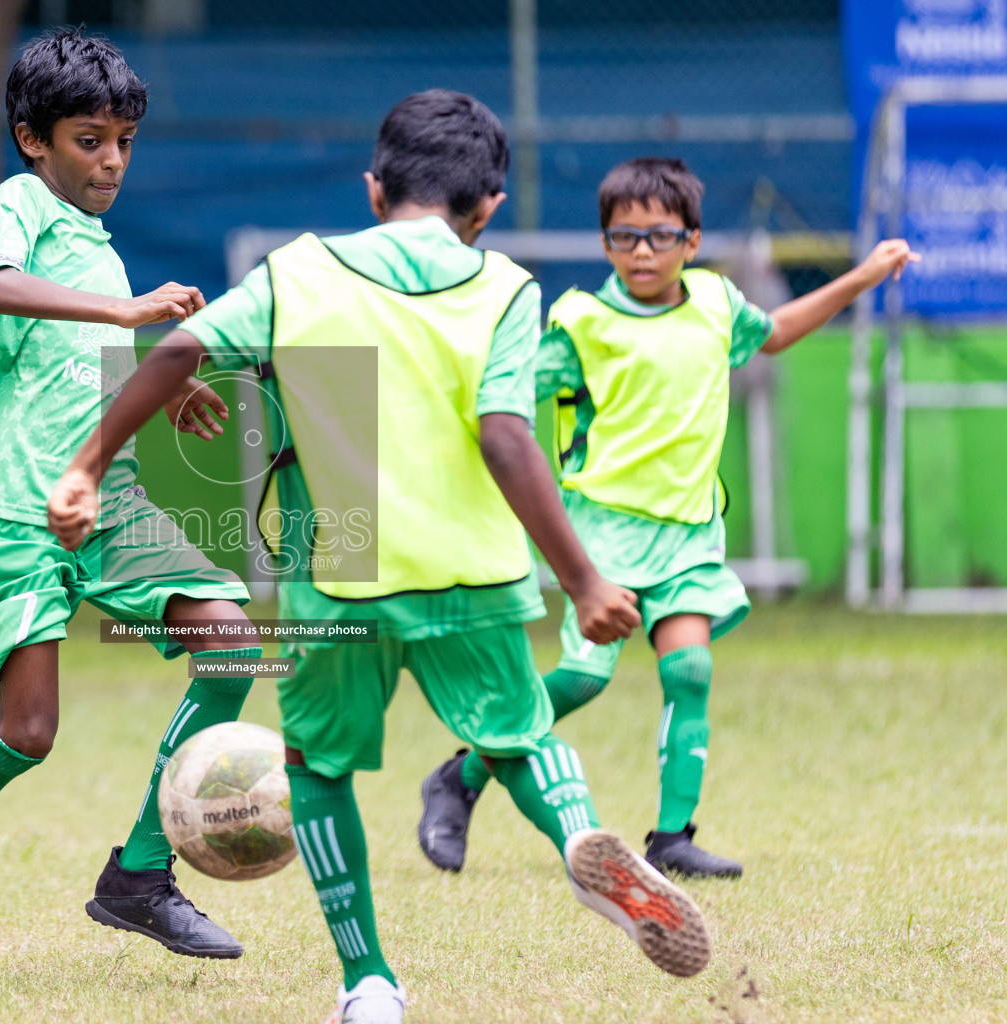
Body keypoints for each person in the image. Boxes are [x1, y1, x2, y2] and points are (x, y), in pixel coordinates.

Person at [48, 92, 713, 1024]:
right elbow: (506, 436)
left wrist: (89, 462)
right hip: (474, 571)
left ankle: (367, 983)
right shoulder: (506, 289)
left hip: (342, 575)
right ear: (486, 207)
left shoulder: (301, 271)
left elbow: (182, 348)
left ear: (374, 188)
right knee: (519, 735)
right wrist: (583, 577)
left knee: (319, 770)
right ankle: (578, 839)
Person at [0, 27, 263, 988]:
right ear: (33, 138)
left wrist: (167, 386)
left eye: (123, 139)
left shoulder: (99, 248)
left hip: (107, 498)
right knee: (29, 734)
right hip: (10, 501)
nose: (111, 159)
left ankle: (140, 872)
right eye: (89, 138)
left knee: (237, 638)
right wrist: (125, 317)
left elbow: (80, 370)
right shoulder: (19, 205)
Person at [418, 157, 918, 880]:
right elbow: (505, 401)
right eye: (624, 237)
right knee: (584, 680)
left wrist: (863, 275)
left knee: (688, 670)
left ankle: (672, 838)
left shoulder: (717, 302)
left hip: (689, 538)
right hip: (605, 535)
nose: (642, 251)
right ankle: (462, 774)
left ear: (692, 239)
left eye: (659, 235)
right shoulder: (581, 321)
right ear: (604, 244)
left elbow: (772, 332)